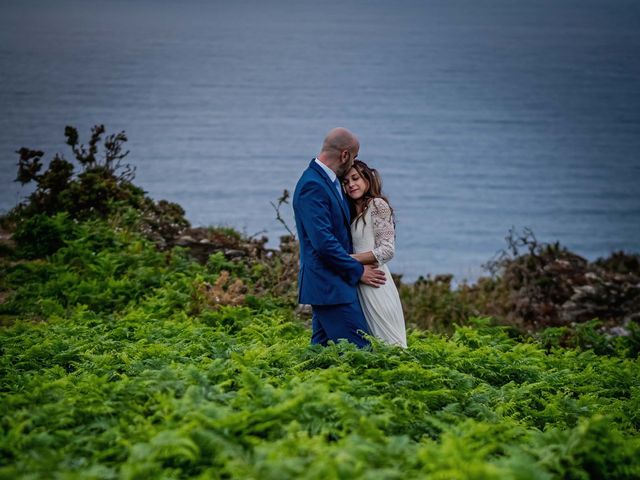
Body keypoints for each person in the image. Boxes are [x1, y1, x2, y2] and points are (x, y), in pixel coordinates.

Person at [293, 128, 386, 347]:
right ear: (345, 155)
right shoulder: (312, 185)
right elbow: (324, 243)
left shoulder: (331, 182)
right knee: (361, 354)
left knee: (321, 357)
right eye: (353, 156)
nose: (354, 162)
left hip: (332, 285)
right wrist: (358, 270)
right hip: (330, 286)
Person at [342, 160, 407, 348]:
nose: (351, 184)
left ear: (367, 179)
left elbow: (387, 250)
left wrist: (347, 260)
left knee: (390, 344)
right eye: (346, 182)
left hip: (377, 283)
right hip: (360, 281)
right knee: (370, 345)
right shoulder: (351, 210)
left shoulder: (377, 205)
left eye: (355, 178)